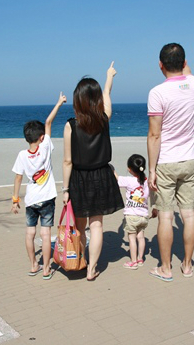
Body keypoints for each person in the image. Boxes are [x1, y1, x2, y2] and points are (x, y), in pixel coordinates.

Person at [62, 62, 124, 281]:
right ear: (96, 100)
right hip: (101, 176)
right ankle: (92, 269)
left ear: (77, 100)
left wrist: (65, 188)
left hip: (79, 178)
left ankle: (81, 261)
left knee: (79, 227)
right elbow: (106, 94)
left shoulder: (71, 125)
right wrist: (109, 77)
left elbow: (68, 161)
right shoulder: (104, 120)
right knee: (96, 225)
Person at [147, 43, 194, 282]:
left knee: (166, 216)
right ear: (184, 62)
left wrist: (151, 169)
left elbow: (155, 134)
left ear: (160, 65)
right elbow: (186, 69)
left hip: (166, 163)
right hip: (189, 160)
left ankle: (166, 268)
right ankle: (187, 265)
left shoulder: (157, 93)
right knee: (188, 215)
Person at [11, 93, 67, 280]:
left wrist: (15, 199)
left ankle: (34, 265)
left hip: (31, 200)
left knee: (29, 233)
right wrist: (59, 103)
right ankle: (46, 269)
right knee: (45, 234)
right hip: (47, 198)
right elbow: (48, 122)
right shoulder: (45, 148)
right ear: (42, 137)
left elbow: (18, 178)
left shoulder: (22, 155)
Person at [116, 154, 150, 270]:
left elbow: (117, 179)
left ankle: (133, 261)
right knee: (141, 237)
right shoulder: (146, 181)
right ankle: (140, 258)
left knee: (132, 238)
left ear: (129, 169)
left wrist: (111, 169)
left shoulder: (129, 180)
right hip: (144, 215)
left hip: (131, 215)